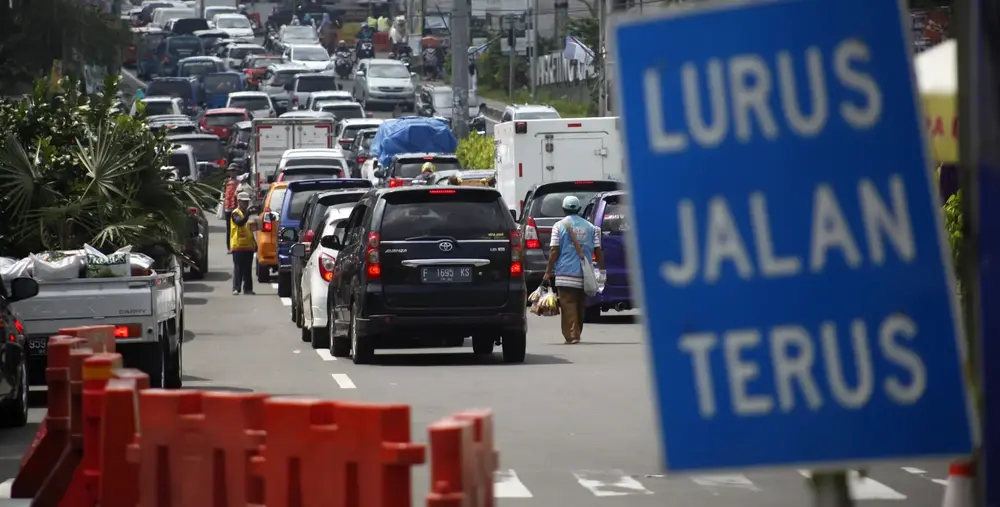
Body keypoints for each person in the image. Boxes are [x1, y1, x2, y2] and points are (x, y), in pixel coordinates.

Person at [542, 196, 606, 344]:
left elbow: (554, 250)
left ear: (563, 209)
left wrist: (548, 271)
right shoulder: (591, 228)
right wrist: (602, 271)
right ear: (579, 209)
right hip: (585, 274)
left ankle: (572, 334)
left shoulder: (558, 226)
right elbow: (598, 251)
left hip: (565, 273)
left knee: (568, 304)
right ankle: (576, 331)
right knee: (580, 306)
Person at [229, 192, 258, 295]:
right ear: (239, 201)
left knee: (248, 269)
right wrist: (248, 214)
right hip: (238, 245)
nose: (245, 204)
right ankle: (236, 288)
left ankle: (248, 289)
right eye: (243, 202)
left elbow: (253, 229)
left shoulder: (249, 214)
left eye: (247, 202)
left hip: (249, 245)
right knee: (238, 268)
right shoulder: (235, 213)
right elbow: (239, 222)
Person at [223, 166, 240, 253]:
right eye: (231, 171)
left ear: (236, 172)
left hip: (236, 208)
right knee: (229, 228)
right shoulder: (226, 182)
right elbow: (223, 194)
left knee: (237, 227)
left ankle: (236, 245)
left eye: (234, 170)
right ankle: (229, 247)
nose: (232, 172)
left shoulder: (239, 183)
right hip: (228, 208)